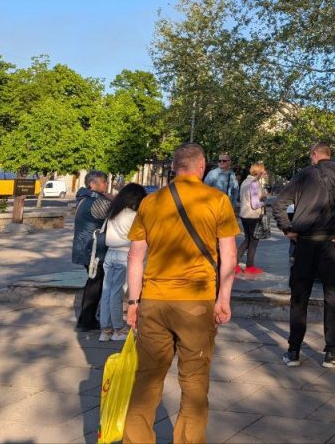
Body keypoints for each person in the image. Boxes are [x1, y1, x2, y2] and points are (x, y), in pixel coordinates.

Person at [122, 143, 240, 443]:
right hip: (196, 302)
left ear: (174, 168)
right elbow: (229, 256)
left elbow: (135, 257)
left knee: (147, 378)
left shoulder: (150, 202)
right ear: (202, 167)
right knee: (195, 381)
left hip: (154, 300)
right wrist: (223, 299)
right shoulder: (217, 200)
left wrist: (133, 301)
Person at [274, 142, 335, 368]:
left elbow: (279, 204)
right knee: (332, 297)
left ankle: (293, 351)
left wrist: (287, 229)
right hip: (332, 243)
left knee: (299, 297)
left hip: (305, 242)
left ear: (315, 154)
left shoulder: (303, 175)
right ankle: (332, 351)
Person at [98, 182, 147, 342]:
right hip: (124, 255)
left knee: (107, 291)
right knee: (116, 293)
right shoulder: (133, 216)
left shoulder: (114, 212)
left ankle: (105, 329)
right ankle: (118, 329)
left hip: (110, 253)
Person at [73, 170, 112, 331]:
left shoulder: (84, 198)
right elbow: (116, 212)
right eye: (103, 182)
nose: (106, 185)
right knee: (95, 284)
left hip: (86, 247)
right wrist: (115, 199)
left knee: (93, 282)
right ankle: (86, 321)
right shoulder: (97, 202)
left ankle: (86, 319)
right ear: (92, 184)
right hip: (93, 250)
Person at [236, 162, 267, 274]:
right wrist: (263, 202)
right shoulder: (254, 183)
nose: (264, 173)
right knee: (253, 241)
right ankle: (250, 267)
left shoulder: (245, 181)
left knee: (247, 240)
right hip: (253, 216)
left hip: (244, 215)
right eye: (263, 171)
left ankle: (234, 263)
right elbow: (255, 204)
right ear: (259, 172)